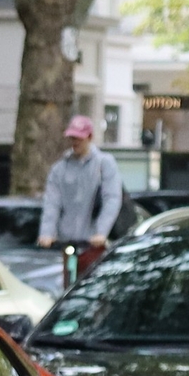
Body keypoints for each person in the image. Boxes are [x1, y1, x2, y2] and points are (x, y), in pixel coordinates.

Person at [39, 113, 123, 278]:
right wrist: (47, 233)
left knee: (93, 287)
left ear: (90, 137)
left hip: (94, 244)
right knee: (68, 286)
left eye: (79, 138)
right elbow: (52, 202)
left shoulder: (104, 163)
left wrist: (101, 232)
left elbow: (112, 198)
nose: (75, 142)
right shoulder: (60, 169)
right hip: (68, 242)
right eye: (72, 138)